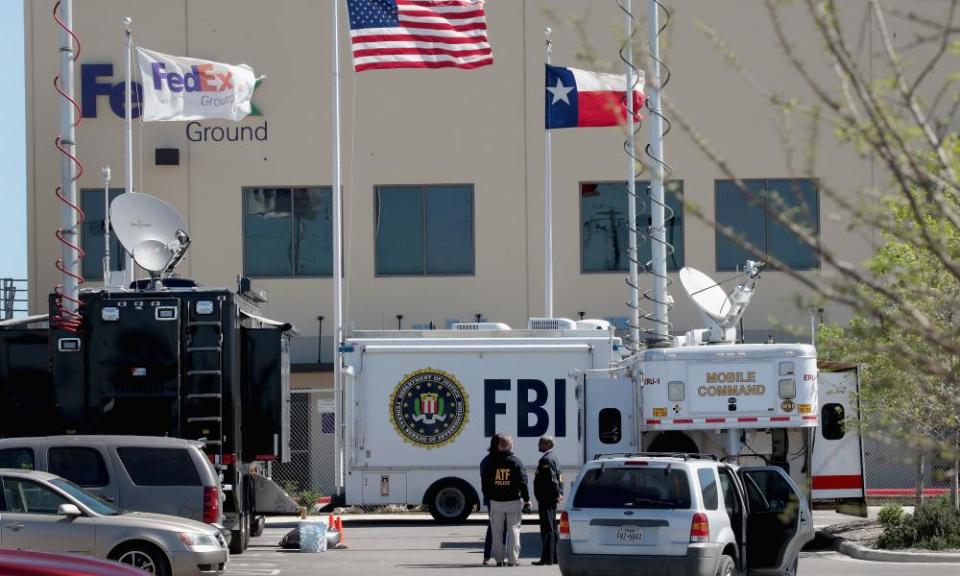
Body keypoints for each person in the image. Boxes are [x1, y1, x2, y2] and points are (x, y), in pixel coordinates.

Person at [481, 434, 529, 567]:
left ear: (498, 445)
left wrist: (490, 496)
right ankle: (513, 559)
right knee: (514, 529)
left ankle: (499, 559)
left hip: (496, 502)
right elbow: (523, 482)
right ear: (510, 445)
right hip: (513, 501)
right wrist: (526, 499)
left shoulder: (489, 462)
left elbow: (485, 483)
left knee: (496, 531)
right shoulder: (516, 461)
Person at [532, 435, 563, 566]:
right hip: (550, 497)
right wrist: (559, 492)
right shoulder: (554, 457)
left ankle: (547, 558)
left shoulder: (546, 460)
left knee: (547, 528)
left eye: (541, 443)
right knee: (553, 527)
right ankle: (555, 557)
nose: (538, 445)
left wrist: (557, 493)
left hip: (546, 497)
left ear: (548, 445)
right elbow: (559, 477)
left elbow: (552, 479)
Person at [479, 433, 505, 565]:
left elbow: (485, 484)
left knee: (493, 527)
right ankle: (499, 556)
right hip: (499, 499)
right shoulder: (500, 460)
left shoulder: (486, 460)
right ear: (499, 444)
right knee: (502, 528)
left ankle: (487, 556)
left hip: (490, 499)